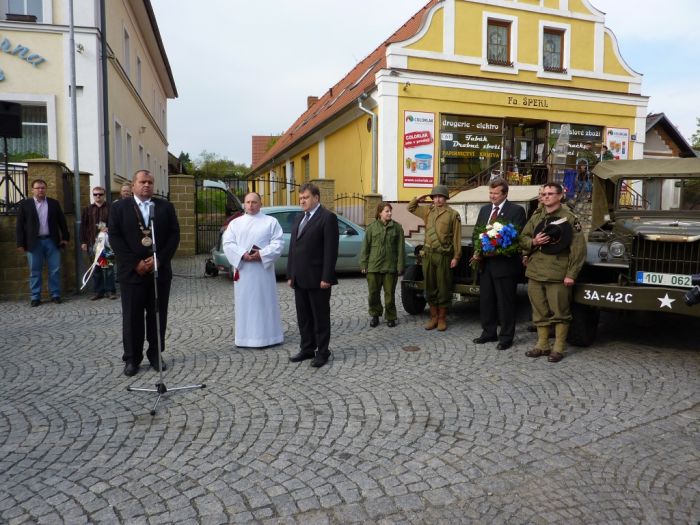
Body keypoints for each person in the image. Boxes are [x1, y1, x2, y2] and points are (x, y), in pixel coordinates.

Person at [109, 170, 180, 376]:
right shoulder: (119, 208)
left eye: (150, 182)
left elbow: (174, 235)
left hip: (159, 272)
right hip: (132, 273)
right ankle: (132, 358)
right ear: (133, 185)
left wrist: (159, 259)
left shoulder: (164, 207)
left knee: (158, 315)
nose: (146, 185)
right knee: (132, 317)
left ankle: (156, 353)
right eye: (142, 182)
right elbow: (115, 238)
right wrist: (135, 263)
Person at [519, 182, 585, 363]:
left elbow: (578, 250)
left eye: (549, 194)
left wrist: (571, 274)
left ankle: (559, 347)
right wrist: (533, 242)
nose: (545, 196)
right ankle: (542, 345)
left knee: (560, 312)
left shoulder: (569, 218)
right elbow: (522, 238)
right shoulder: (537, 216)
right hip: (535, 271)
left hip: (557, 272)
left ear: (560, 196)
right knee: (539, 311)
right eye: (543, 194)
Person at [287, 183, 339, 368]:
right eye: (301, 198)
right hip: (300, 278)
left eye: (306, 197)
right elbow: (293, 247)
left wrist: (327, 277)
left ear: (316, 198)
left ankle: (322, 352)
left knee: (320, 317)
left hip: (318, 279)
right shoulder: (299, 218)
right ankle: (307, 348)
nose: (302, 200)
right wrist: (290, 274)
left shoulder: (327, 218)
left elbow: (330, 251)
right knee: (304, 317)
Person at [222, 192, 284, 347]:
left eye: (254, 202)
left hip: (263, 272)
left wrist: (261, 254)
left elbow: (278, 243)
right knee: (246, 304)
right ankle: (245, 338)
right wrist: (242, 254)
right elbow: (228, 243)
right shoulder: (235, 224)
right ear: (244, 204)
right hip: (244, 272)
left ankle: (270, 337)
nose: (250, 205)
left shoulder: (271, 222)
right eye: (248, 202)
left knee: (264, 303)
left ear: (260, 203)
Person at [472, 178, 526, 350]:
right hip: (485, 264)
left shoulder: (516, 210)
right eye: (490, 193)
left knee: (505, 302)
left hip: (504, 264)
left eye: (496, 193)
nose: (492, 196)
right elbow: (477, 233)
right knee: (486, 300)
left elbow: (516, 237)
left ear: (505, 194)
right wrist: (478, 250)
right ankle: (488, 332)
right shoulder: (485, 210)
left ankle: (506, 336)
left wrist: (496, 249)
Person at [408, 185, 461, 331]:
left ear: (445, 198)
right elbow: (411, 208)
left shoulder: (453, 214)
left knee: (443, 287)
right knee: (430, 286)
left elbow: (457, 237)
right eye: (435, 197)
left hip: (443, 256)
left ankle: (442, 318)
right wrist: (417, 199)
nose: (437, 199)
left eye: (440, 197)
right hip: (428, 255)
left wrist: (456, 256)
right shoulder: (427, 211)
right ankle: (433, 317)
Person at [15, 179, 70, 306]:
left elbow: (62, 222)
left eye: (43, 188)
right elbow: (19, 226)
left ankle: (55, 294)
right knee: (35, 271)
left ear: (46, 189)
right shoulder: (25, 205)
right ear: (32, 190)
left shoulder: (54, 203)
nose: (40, 190)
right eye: (38, 188)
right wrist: (20, 243)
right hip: (34, 243)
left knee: (55, 269)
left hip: (51, 241)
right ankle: (35, 296)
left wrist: (65, 238)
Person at [359, 202, 405, 328]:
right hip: (374, 267)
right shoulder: (371, 228)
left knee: (389, 295)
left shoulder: (397, 228)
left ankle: (391, 317)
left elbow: (401, 249)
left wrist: (400, 265)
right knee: (373, 294)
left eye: (390, 211)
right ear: (380, 213)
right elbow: (365, 247)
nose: (389, 213)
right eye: (387, 211)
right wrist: (363, 263)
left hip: (390, 267)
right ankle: (375, 315)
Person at [80, 186, 116, 300]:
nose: (98, 196)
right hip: (92, 242)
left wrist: (109, 228)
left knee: (108, 267)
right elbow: (83, 226)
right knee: (96, 268)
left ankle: (110, 291)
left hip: (107, 243)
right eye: (95, 194)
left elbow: (116, 224)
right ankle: (98, 291)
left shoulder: (111, 208)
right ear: (93, 195)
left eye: (100, 194)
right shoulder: (88, 209)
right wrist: (83, 242)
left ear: (104, 195)